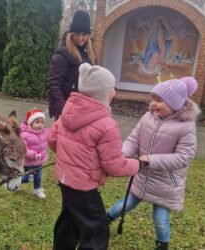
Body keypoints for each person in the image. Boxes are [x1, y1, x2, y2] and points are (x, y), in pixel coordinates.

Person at [47, 63, 140, 249]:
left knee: (70, 219)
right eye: (114, 87)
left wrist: (70, 156)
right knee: (97, 229)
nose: (115, 90)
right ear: (105, 92)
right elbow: (114, 165)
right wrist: (138, 165)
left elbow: (52, 138)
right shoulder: (107, 125)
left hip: (65, 179)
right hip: (83, 187)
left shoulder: (67, 111)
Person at [107, 77, 200, 250]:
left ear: (175, 103)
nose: (154, 104)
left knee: (160, 219)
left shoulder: (186, 126)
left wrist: (152, 159)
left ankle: (162, 245)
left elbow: (184, 156)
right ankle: (104, 222)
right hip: (142, 176)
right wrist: (121, 153)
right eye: (153, 99)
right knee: (125, 204)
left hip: (166, 182)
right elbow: (134, 139)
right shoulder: (147, 117)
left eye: (159, 100)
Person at [47, 10, 96, 120]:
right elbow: (53, 85)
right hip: (67, 108)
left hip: (84, 107)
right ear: (71, 33)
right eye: (77, 34)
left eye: (84, 34)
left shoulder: (89, 52)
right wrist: (63, 109)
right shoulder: (63, 53)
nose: (80, 38)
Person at [20, 109, 48, 199]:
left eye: (42, 122)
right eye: (37, 122)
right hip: (28, 162)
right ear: (30, 123)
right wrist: (34, 155)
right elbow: (24, 149)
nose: (40, 125)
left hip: (38, 161)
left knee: (38, 176)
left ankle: (37, 189)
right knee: (27, 178)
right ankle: (16, 180)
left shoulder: (43, 132)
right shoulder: (24, 135)